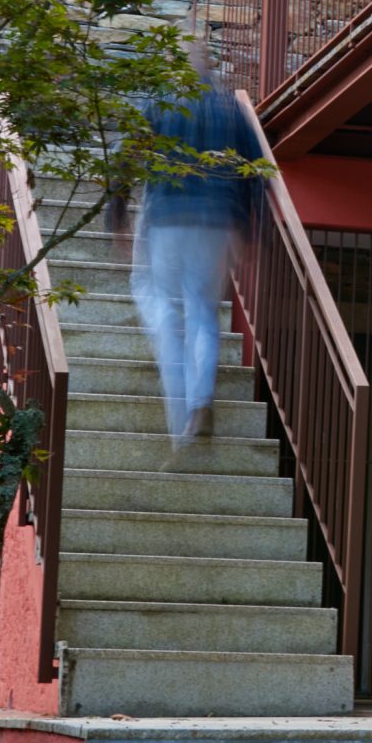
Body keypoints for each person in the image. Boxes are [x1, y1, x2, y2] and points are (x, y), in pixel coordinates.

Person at [130, 52, 262, 454]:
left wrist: (116, 215)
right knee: (203, 311)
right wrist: (250, 231)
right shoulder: (232, 111)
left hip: (167, 219)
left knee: (163, 307)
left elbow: (128, 154)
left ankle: (181, 426)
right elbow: (255, 172)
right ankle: (199, 404)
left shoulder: (160, 105)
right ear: (211, 72)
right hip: (217, 223)